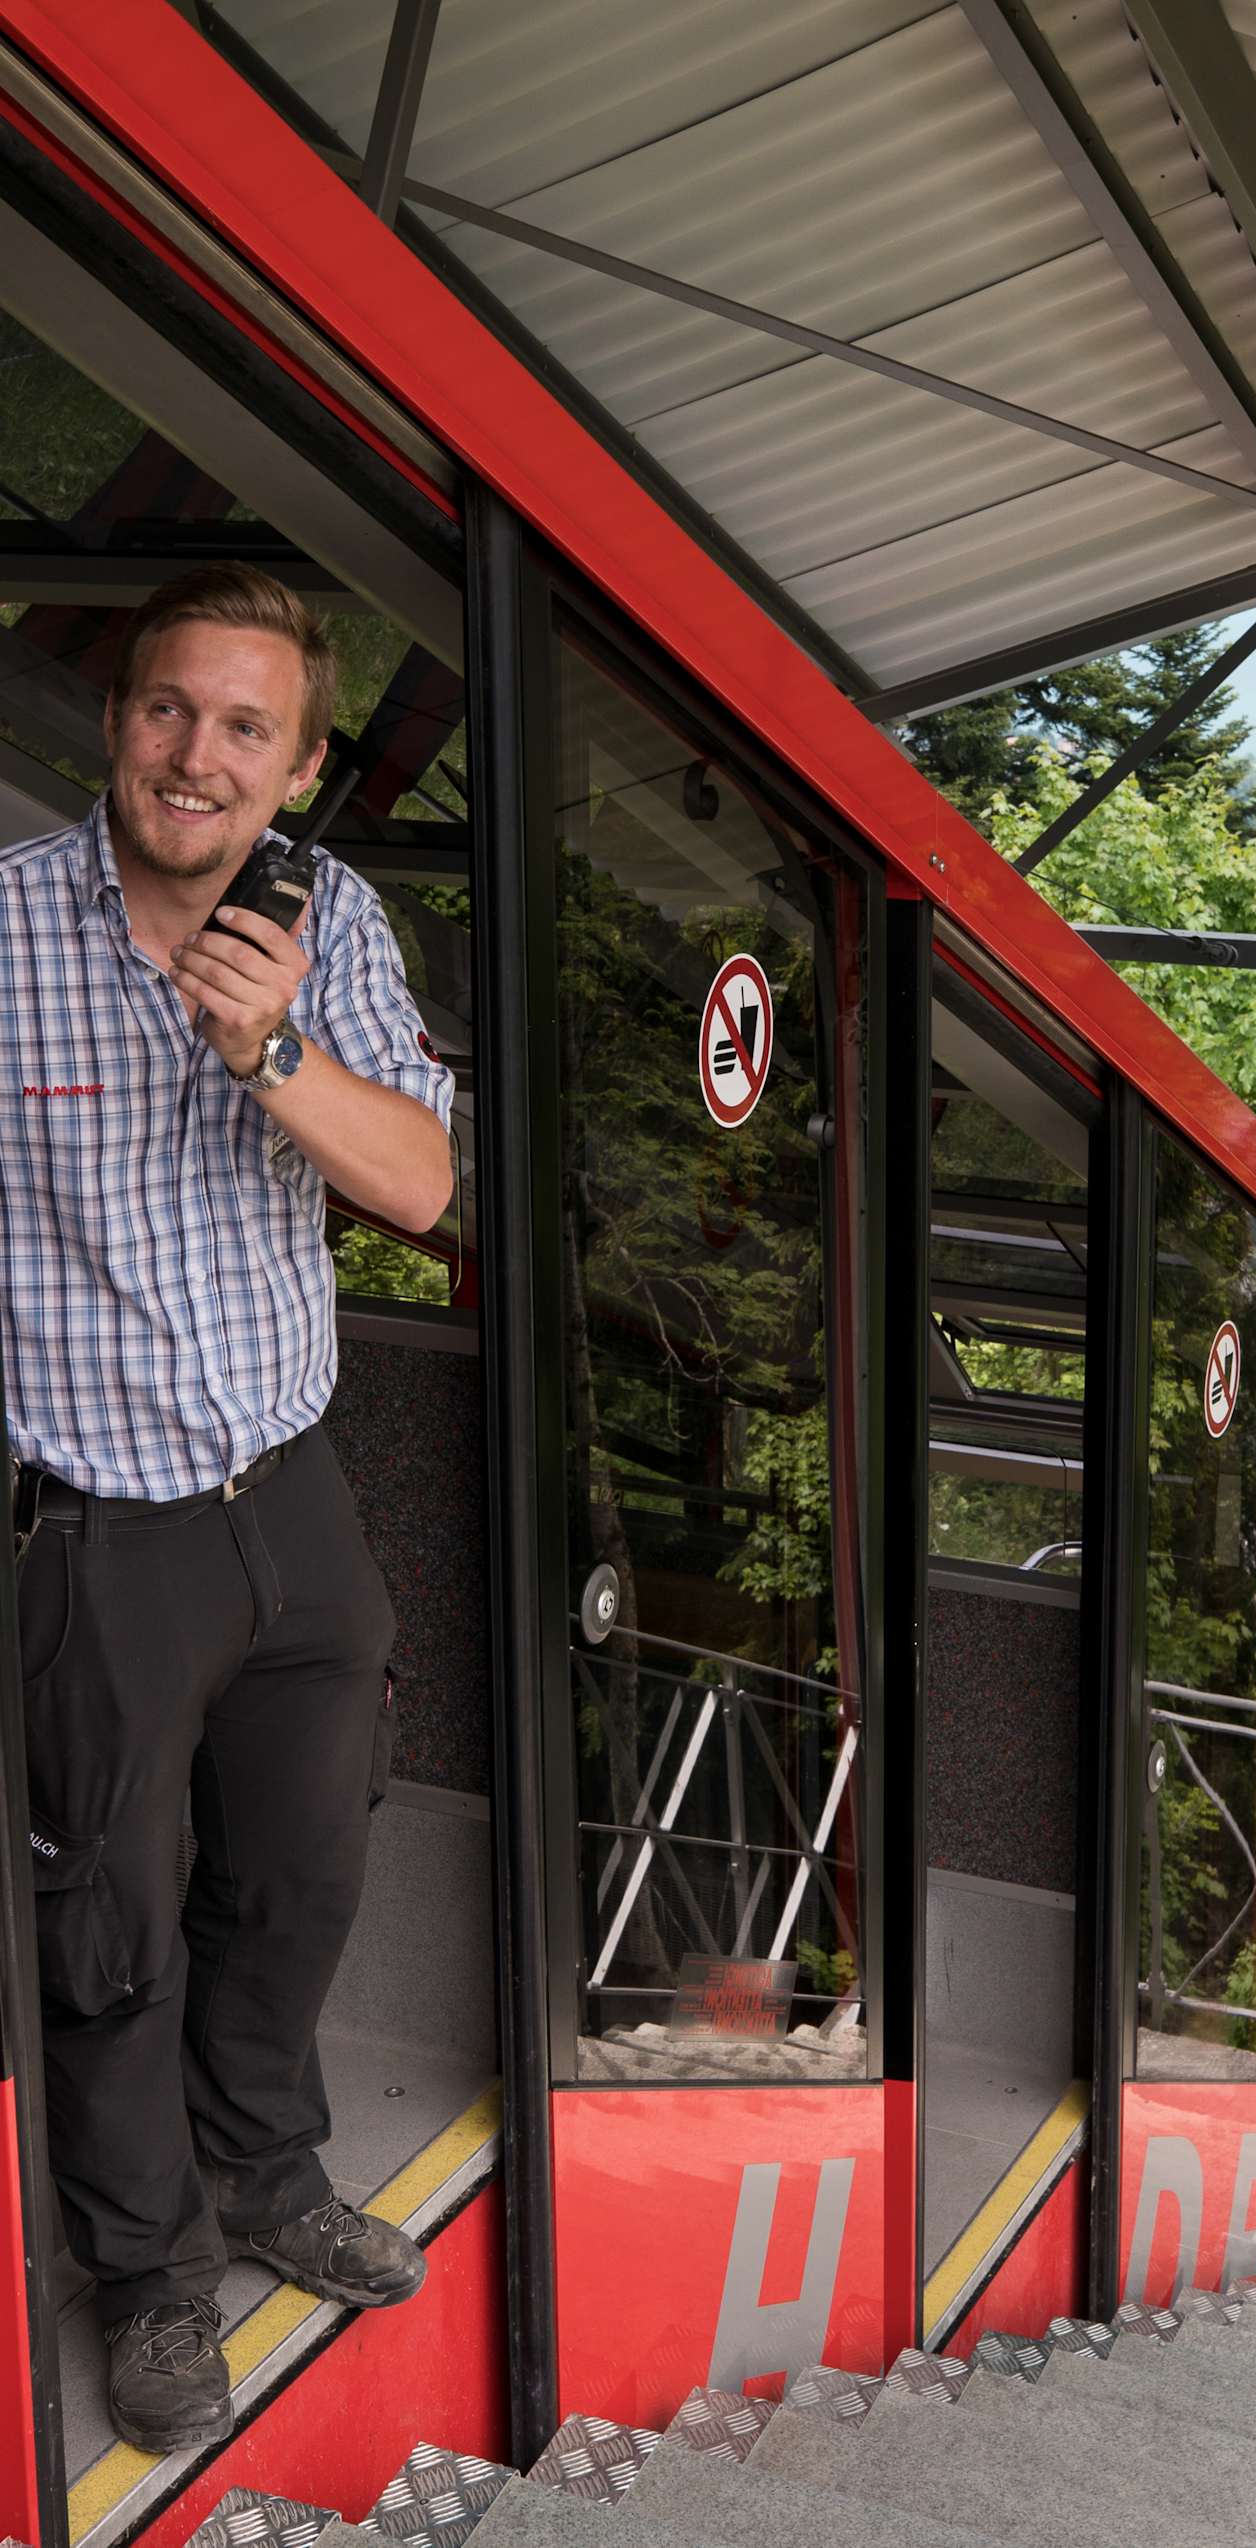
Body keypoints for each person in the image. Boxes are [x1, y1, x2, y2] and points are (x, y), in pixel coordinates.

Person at [3, 564, 456, 2453]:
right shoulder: (8, 932)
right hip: (96, 1526)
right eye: (169, 709)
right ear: (118, 721)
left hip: (292, 1493)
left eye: (244, 727)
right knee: (110, 1925)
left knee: (300, 1875)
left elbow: (424, 1184)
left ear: (302, 766)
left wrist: (274, 1049)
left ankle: (268, 2170)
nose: (197, 754)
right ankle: (155, 2276)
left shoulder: (329, 922)